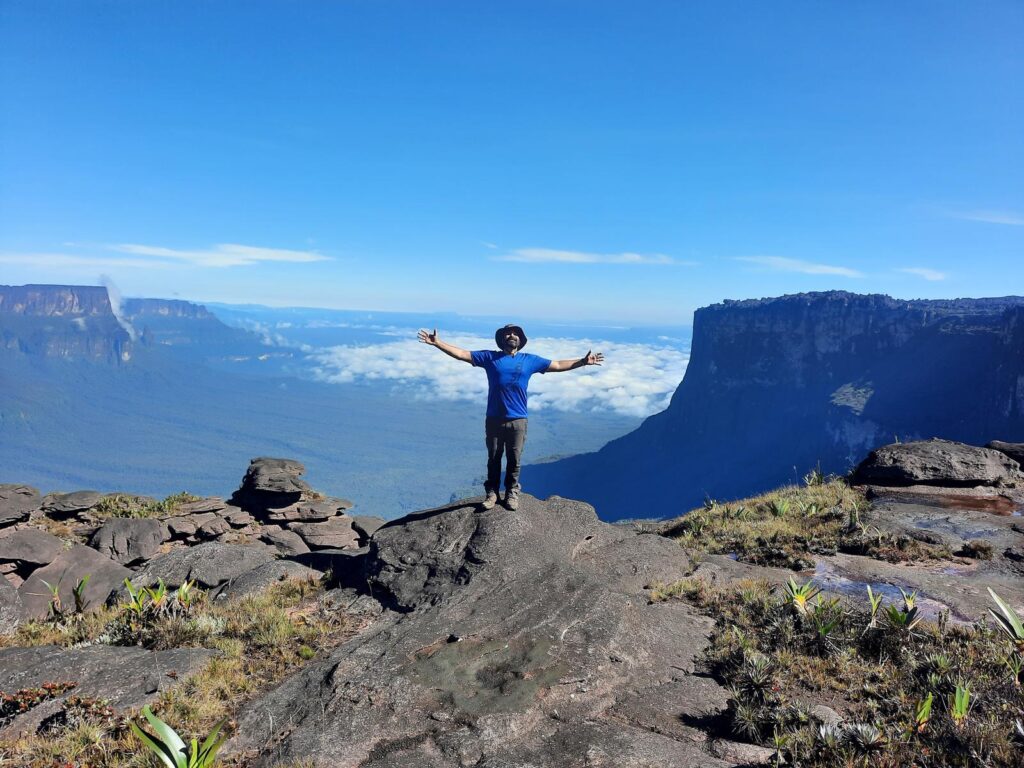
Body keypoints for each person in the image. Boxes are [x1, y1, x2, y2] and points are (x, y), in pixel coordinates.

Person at [417, 323, 603, 510]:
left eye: (515, 334)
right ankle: (492, 493)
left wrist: (582, 362)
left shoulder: (530, 360)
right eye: (507, 334)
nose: (511, 336)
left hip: (518, 419)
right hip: (494, 419)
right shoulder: (490, 357)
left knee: (514, 459)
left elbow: (557, 364)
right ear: (502, 339)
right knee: (494, 458)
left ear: (520, 340)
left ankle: (512, 492)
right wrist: (438, 343)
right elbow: (463, 354)